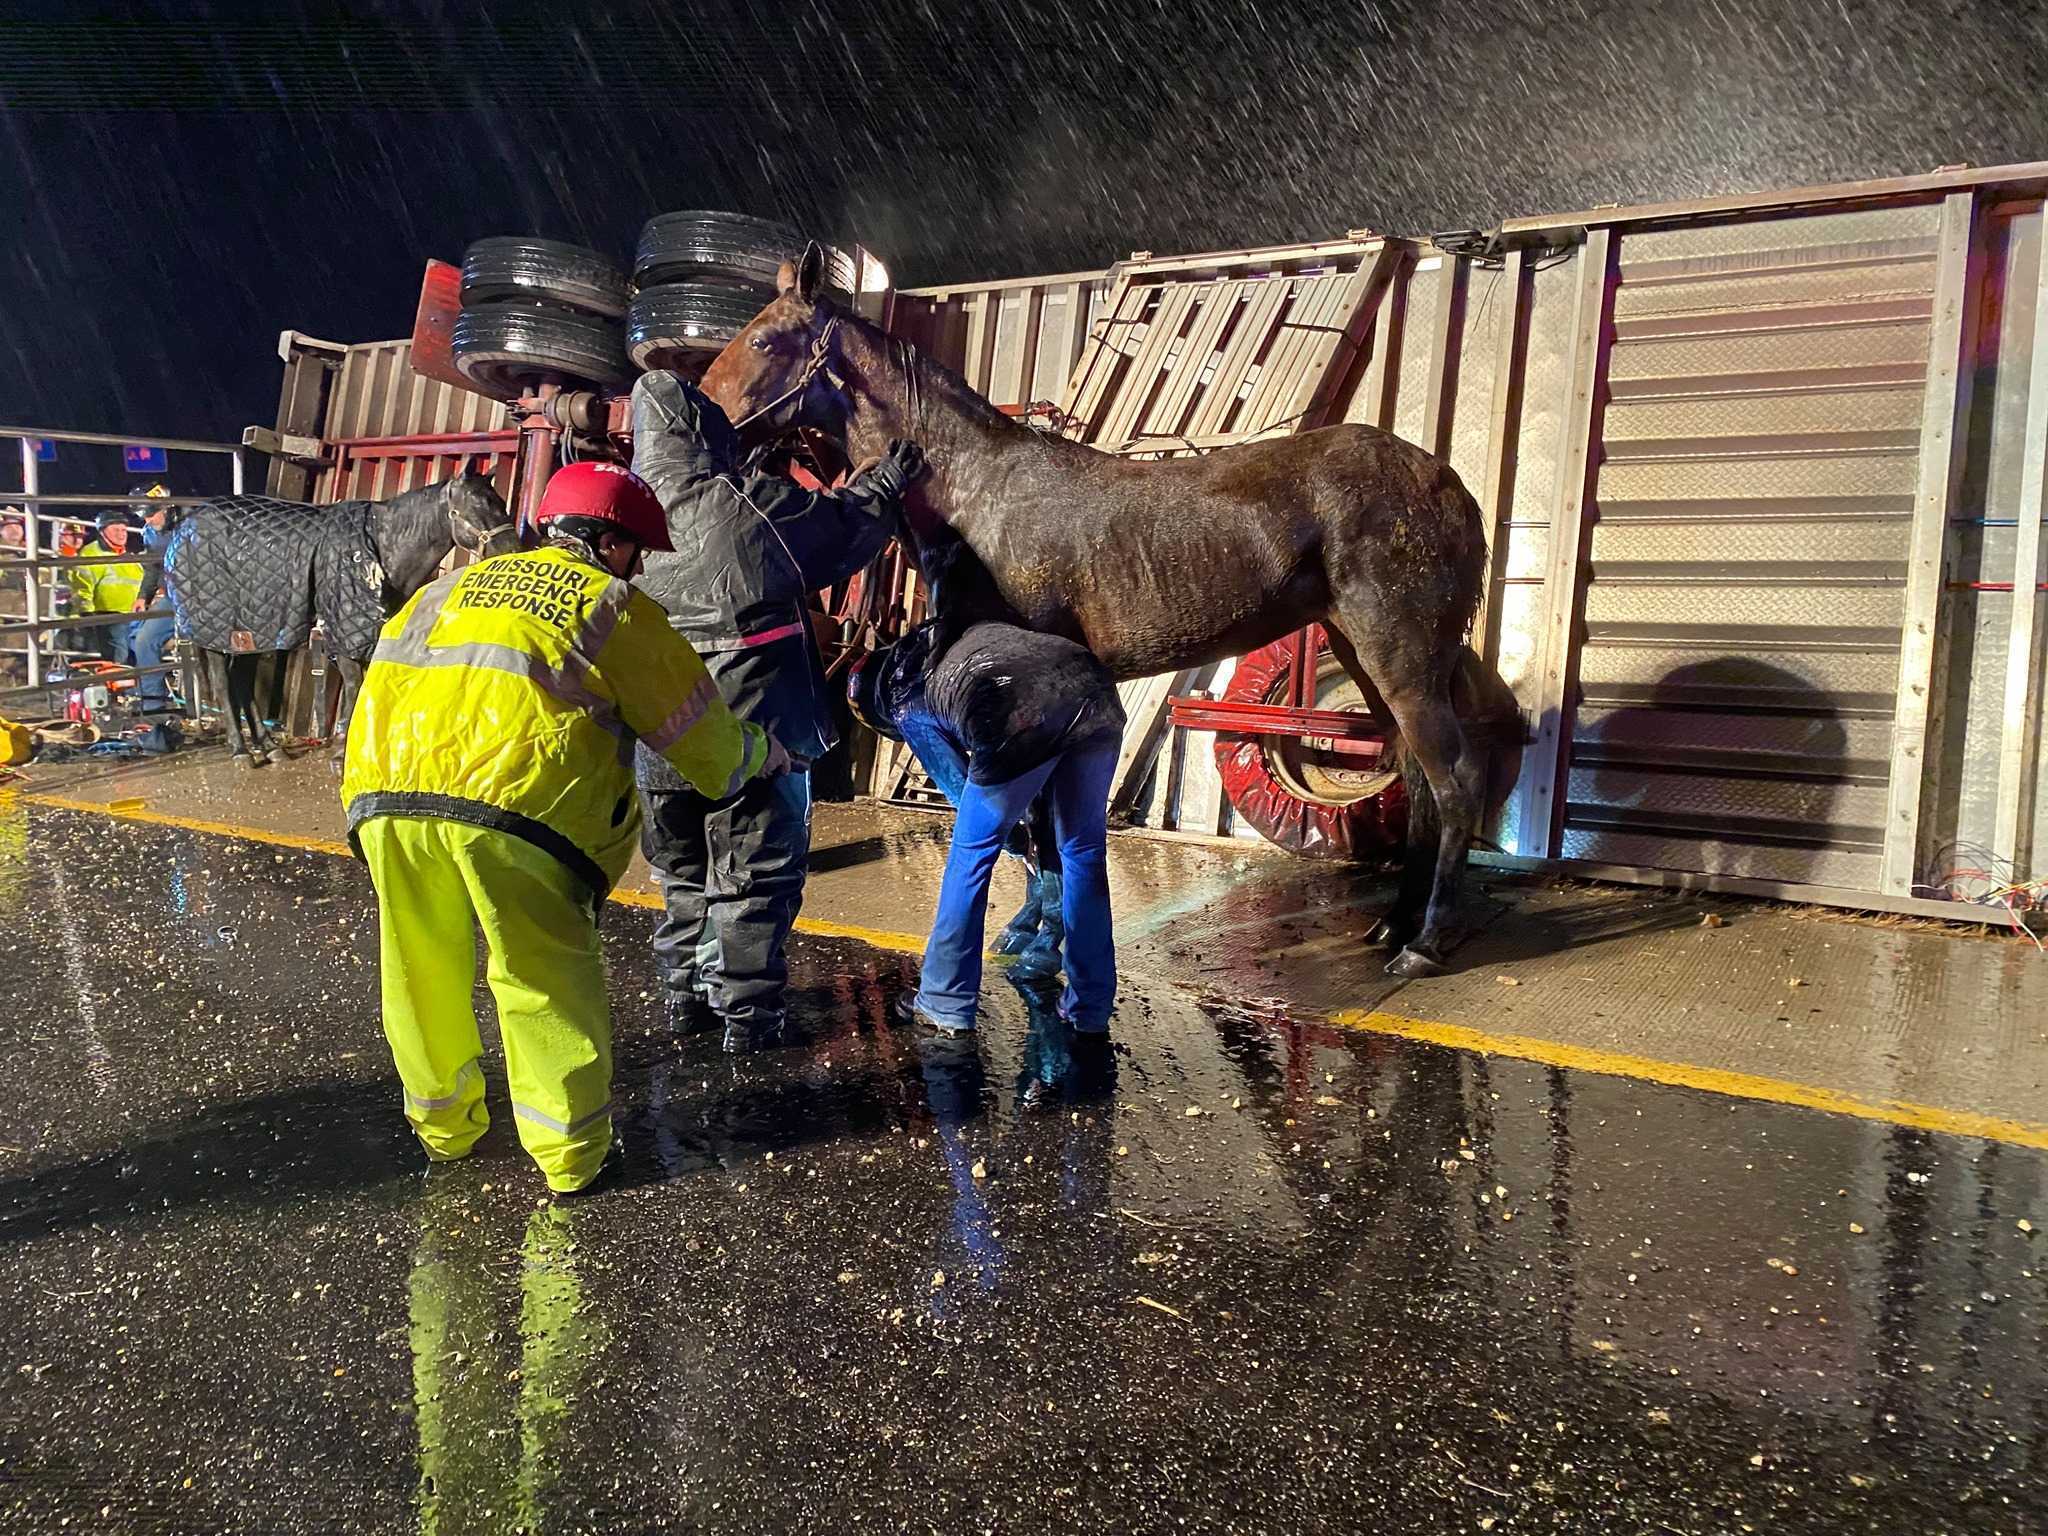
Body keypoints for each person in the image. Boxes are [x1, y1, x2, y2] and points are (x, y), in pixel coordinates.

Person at [341, 460, 788, 1195]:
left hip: (386, 800)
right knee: (540, 975)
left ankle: (446, 1133)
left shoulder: (443, 589)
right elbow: (701, 743)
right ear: (612, 544)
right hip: (515, 809)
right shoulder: (608, 604)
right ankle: (571, 1157)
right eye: (637, 552)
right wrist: (763, 753)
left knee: (419, 969)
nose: (638, 568)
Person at [630, 371, 927, 1050]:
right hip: (754, 736)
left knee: (681, 879)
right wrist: (885, 482)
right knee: (754, 884)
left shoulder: (622, 514)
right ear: (703, 432)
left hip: (659, 747)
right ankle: (749, 1023)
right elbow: (840, 532)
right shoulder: (738, 505)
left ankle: (685, 1001)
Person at [851, 542, 1126, 1036]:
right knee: (1083, 852)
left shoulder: (904, 698)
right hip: (1094, 688)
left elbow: (960, 789)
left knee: (970, 853)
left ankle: (944, 1000)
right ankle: (1090, 1007)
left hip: (1021, 709)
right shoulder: (943, 639)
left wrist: (1014, 841)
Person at [127, 482, 182, 712]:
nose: (147, 519)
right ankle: (153, 706)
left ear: (166, 506)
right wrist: (143, 596)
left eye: (150, 513)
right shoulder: (149, 533)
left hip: (201, 599)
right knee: (137, 636)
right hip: (173, 597)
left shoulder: (191, 526)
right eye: (143, 515)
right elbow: (153, 568)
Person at [69, 507, 145, 666]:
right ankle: (118, 689)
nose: (121, 533)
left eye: (124, 529)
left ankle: (133, 688)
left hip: (134, 616)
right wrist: (87, 614)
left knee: (138, 657)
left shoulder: (128, 556)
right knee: (119, 659)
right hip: (109, 616)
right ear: (102, 531)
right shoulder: (91, 554)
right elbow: (81, 587)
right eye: (116, 529)